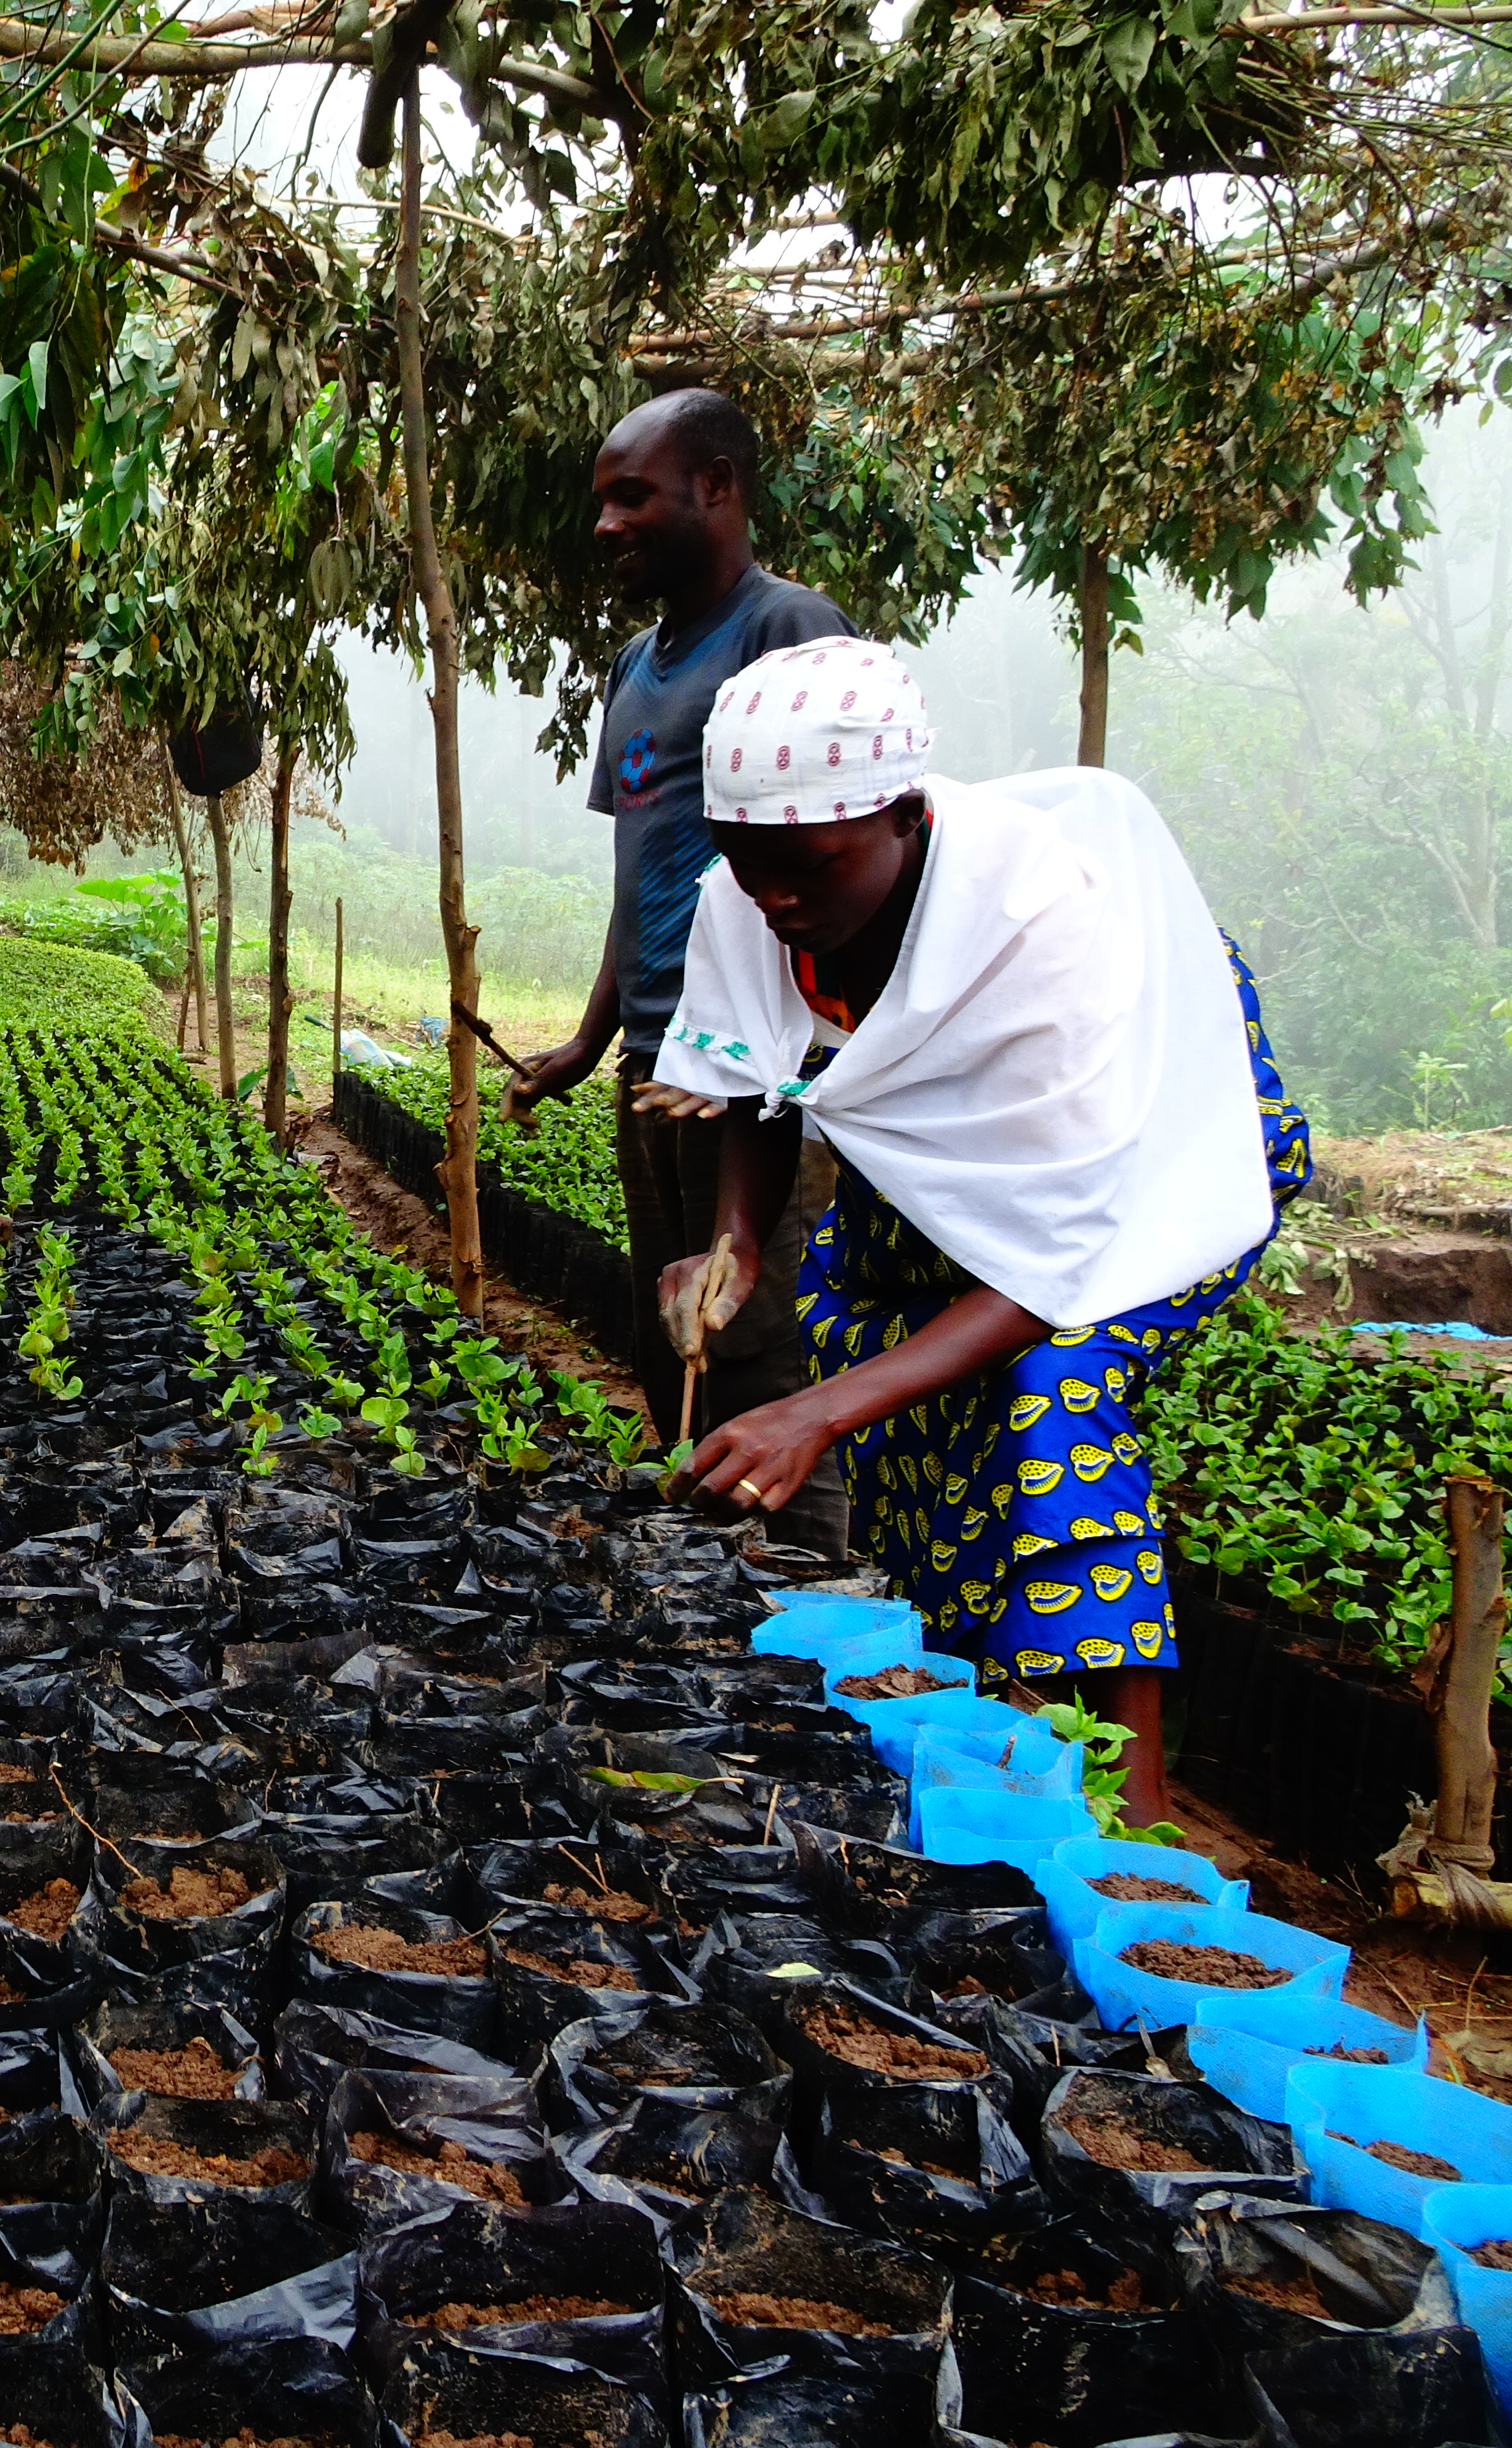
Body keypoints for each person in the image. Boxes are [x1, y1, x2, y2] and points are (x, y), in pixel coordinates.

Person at [643, 643, 1309, 1827]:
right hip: (943, 1183)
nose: (773, 898)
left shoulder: (1039, 928)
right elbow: (755, 1084)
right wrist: (733, 1249)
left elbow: (1048, 1267)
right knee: (862, 1338)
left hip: (1149, 1157)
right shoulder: (748, 892)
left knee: (1051, 1390)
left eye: (805, 867)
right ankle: (967, 1728)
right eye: (745, 864)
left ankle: (1122, 1811)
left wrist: (811, 1412)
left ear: (901, 818)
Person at [511, 389, 857, 1551]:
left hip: (759, 1070)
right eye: (599, 500)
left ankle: (805, 1589)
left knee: (762, 1336)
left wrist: (779, 1049)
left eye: (631, 495)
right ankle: (705, 1588)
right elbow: (644, 869)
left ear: (716, 485)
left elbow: (847, 858)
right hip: (658, 1062)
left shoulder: (790, 635)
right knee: (676, 1330)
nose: (604, 524)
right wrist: (591, 1038)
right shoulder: (634, 667)